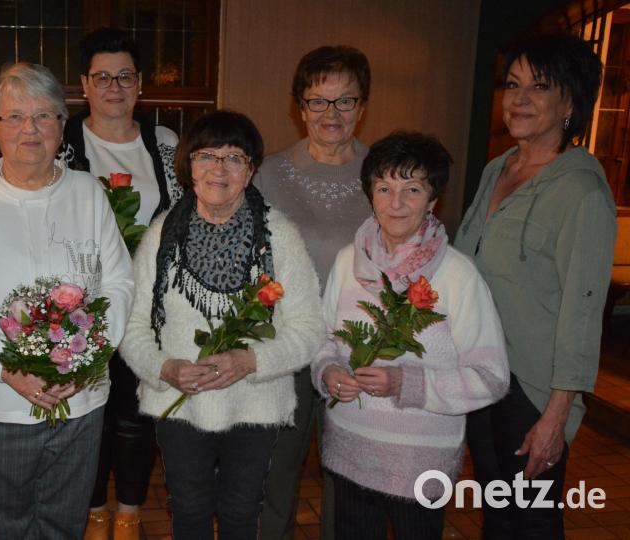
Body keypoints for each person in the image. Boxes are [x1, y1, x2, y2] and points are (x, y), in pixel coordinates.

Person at [0, 62, 134, 539]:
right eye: (15, 117)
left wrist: (89, 356)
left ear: (63, 126)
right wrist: (6, 367)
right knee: (6, 527)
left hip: (80, 402)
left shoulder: (88, 194)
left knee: (65, 525)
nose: (30, 129)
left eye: (44, 116)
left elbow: (120, 282)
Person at [121, 110, 325, 539]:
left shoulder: (279, 236)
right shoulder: (162, 235)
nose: (219, 168)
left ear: (250, 170)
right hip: (178, 402)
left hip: (255, 404)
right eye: (206, 155)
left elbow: (308, 328)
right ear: (188, 166)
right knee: (189, 514)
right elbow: (133, 327)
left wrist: (251, 359)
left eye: (234, 157)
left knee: (239, 515)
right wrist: (164, 368)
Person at [454, 34, 616, 539]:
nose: (519, 99)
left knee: (531, 521)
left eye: (539, 87)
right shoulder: (497, 168)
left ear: (570, 102)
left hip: (532, 386)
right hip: (482, 372)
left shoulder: (582, 190)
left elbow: (583, 310)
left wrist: (557, 413)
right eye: (513, 84)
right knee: (498, 513)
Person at [311, 131, 509, 539]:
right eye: (384, 188)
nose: (395, 203)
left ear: (433, 200)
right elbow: (322, 338)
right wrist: (328, 370)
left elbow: (491, 377)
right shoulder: (349, 261)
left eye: (412, 189)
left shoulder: (457, 275)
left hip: (419, 465)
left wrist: (408, 383)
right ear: (370, 195)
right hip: (352, 452)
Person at [62, 27, 181, 540]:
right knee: (88, 414)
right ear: (84, 84)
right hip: (77, 306)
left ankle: (129, 511)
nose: (114, 86)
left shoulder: (164, 142)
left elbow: (181, 217)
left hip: (146, 307)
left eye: (125, 76)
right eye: (102, 76)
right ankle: (92, 511)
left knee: (135, 415)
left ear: (141, 84)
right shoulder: (62, 142)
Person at [252, 45, 374, 540]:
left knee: (346, 474)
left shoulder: (383, 172)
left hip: (358, 347)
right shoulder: (270, 174)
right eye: (318, 101)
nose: (331, 114)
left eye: (345, 101)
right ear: (299, 106)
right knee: (276, 469)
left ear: (362, 106)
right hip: (289, 344)